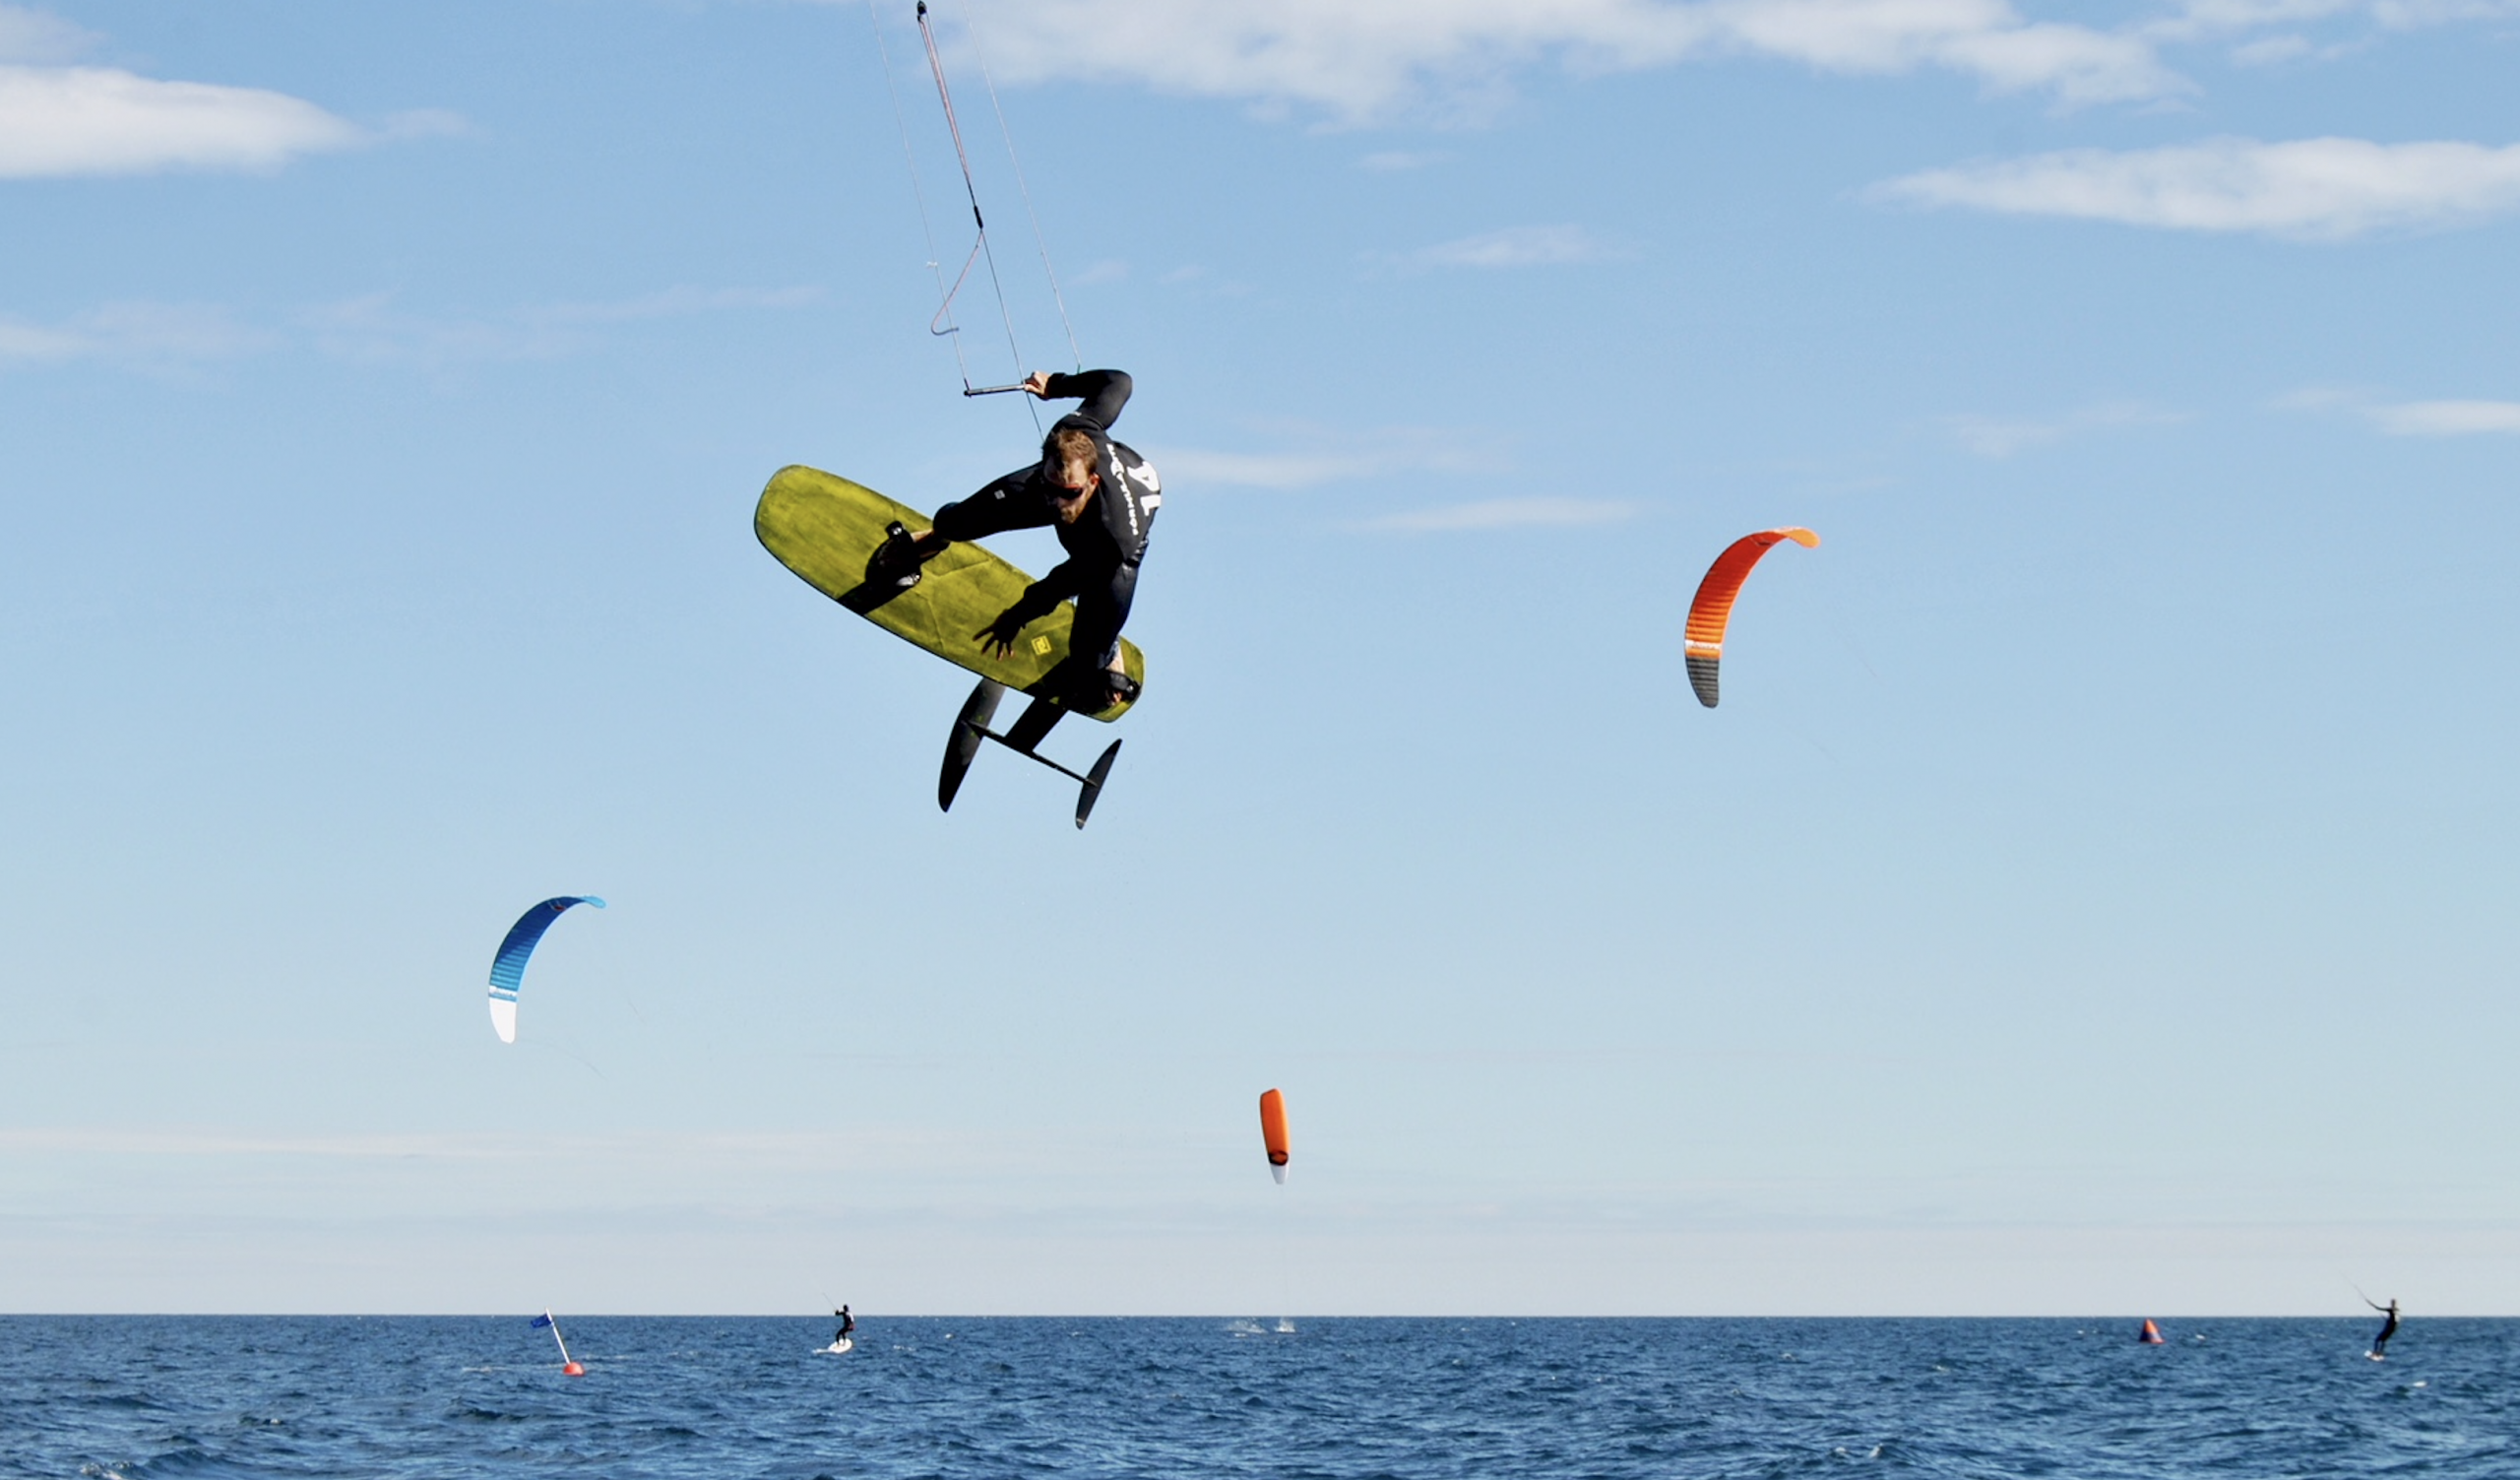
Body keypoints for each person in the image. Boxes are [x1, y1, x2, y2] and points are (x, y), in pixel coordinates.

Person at [873, 368, 1160, 708]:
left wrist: (1014, 618)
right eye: (1051, 489)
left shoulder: (1111, 539)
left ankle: (1108, 649)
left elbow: (1057, 585)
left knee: (1086, 663)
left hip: (1116, 549)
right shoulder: (1072, 438)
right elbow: (1118, 382)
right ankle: (932, 540)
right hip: (1067, 480)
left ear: (1092, 483)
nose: (1057, 504)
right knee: (955, 520)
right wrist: (1056, 385)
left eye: (1067, 493)